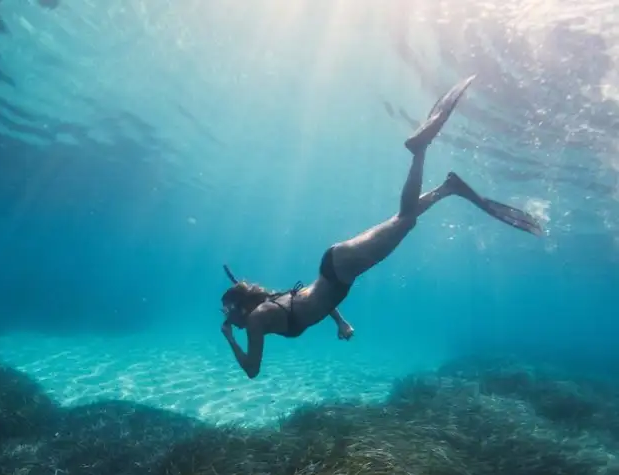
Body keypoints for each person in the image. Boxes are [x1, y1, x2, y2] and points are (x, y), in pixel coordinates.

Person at [220, 75, 543, 379]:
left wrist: (230, 338)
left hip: (339, 270)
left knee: (404, 219)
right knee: (403, 221)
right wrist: (342, 323)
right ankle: (448, 188)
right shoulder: (268, 305)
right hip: (336, 266)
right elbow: (312, 302)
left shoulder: (257, 319)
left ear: (238, 307)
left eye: (227, 312)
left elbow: (252, 370)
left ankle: (419, 151)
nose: (227, 318)